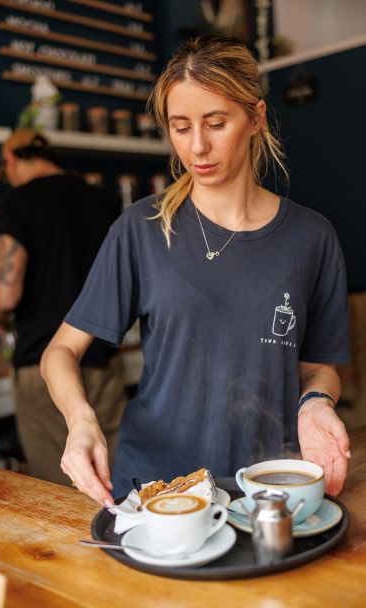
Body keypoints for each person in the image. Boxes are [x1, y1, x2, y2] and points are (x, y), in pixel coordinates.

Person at [41, 35, 351, 507]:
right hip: (156, 493)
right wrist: (81, 421)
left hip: (267, 491)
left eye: (216, 123)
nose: (198, 147)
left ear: (256, 117)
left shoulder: (312, 238)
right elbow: (60, 350)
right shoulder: (142, 229)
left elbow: (319, 369)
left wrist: (316, 404)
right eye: (181, 127)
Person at [0, 129, 127, 486]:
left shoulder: (17, 202)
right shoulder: (100, 199)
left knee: (62, 486)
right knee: (115, 477)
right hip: (103, 359)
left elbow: (6, 296)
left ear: (13, 160)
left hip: (44, 366)